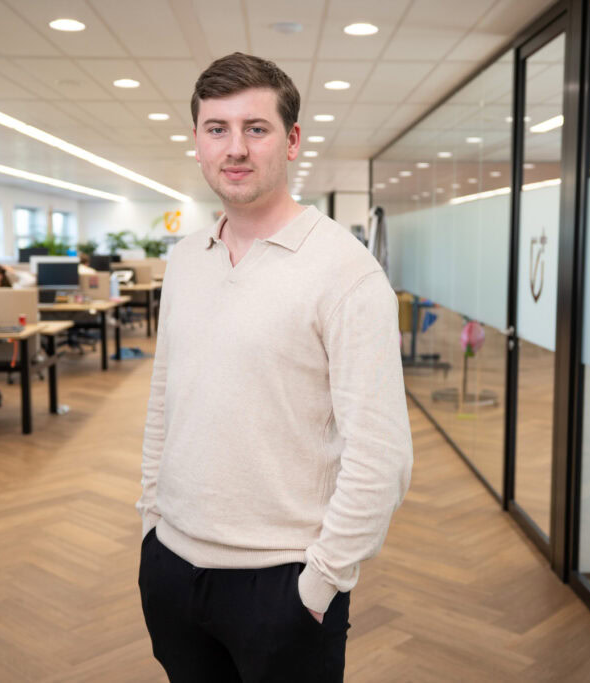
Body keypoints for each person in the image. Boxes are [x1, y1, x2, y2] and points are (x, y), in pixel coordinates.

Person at [136, 53, 413, 682]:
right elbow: (164, 401)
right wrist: (152, 523)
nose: (235, 148)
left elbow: (382, 456)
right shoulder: (186, 259)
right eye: (217, 129)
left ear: (290, 141)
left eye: (255, 128)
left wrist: (320, 584)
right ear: (198, 141)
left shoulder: (346, 272)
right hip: (172, 566)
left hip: (283, 584)